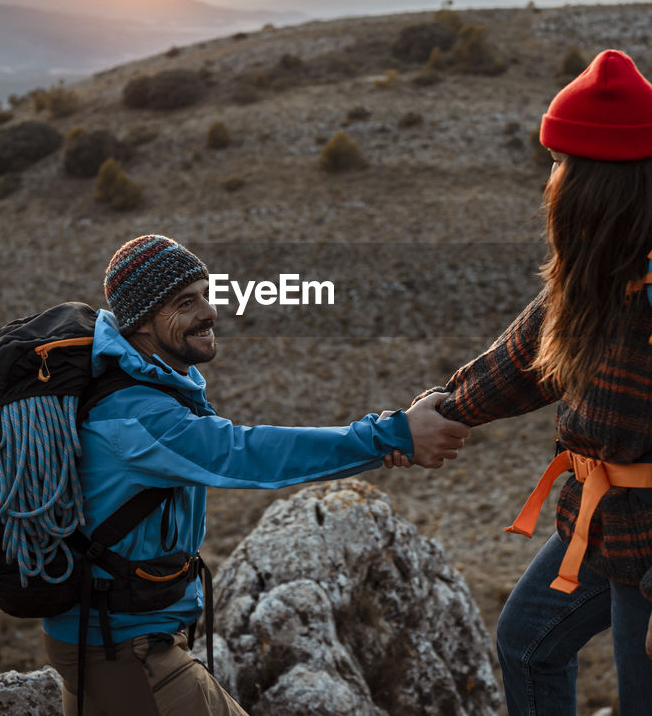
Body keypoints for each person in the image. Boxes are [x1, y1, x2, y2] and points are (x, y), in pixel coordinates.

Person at [405, 50, 652, 715]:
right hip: (603, 524)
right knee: (526, 642)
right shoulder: (610, 253)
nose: (552, 178)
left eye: (561, 163)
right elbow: (533, 353)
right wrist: (448, 407)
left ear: (600, 177)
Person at [42, 234, 470, 716]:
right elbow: (247, 454)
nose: (209, 311)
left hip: (96, 634)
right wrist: (392, 435)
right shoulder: (137, 415)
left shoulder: (137, 384)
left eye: (207, 293)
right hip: (123, 648)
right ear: (141, 321)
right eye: (186, 302)